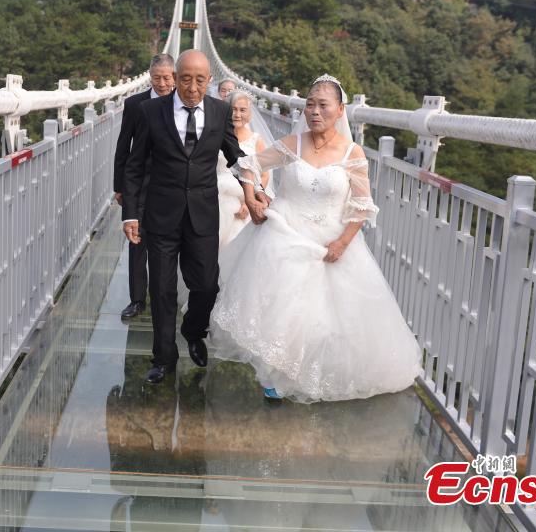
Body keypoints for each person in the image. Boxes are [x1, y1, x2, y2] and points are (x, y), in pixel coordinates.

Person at [209, 73, 421, 402]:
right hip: (284, 235)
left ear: (340, 110)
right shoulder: (292, 144)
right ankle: (276, 377)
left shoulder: (353, 153)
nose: (314, 111)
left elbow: (361, 206)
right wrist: (252, 196)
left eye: (323, 105)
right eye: (309, 104)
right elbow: (249, 165)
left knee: (322, 320)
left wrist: (342, 242)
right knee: (283, 310)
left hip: (331, 244)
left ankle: (311, 375)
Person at [122, 49, 244, 385]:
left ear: (209, 81)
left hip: (203, 215)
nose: (192, 87)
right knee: (161, 290)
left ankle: (193, 330)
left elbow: (236, 156)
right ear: (175, 78)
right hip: (160, 215)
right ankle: (163, 358)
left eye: (200, 80)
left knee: (206, 286)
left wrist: (256, 189)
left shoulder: (221, 111)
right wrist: (130, 214)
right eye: (185, 79)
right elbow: (133, 167)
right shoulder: (150, 111)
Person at [113, 54, 175, 319]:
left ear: (174, 77)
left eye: (167, 78)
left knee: (168, 244)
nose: (162, 83)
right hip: (138, 183)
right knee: (137, 242)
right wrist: (119, 186)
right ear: (149, 77)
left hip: (170, 184)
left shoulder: (184, 103)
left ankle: (166, 298)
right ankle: (137, 300)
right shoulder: (134, 104)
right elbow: (123, 145)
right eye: (157, 78)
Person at [216, 90, 270, 248]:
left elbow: (265, 175)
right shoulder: (216, 136)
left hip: (244, 202)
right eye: (233, 109)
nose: (237, 114)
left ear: (249, 113)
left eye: (242, 110)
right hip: (217, 200)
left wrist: (249, 203)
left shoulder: (256, 139)